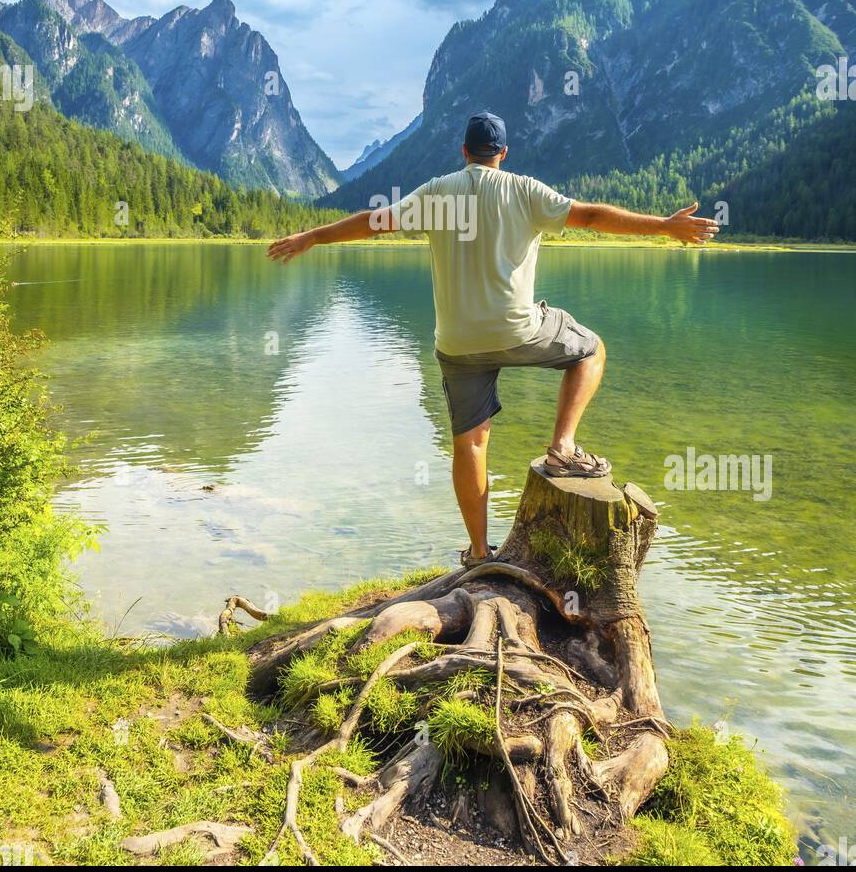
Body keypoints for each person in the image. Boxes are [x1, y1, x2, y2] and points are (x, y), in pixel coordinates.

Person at [268, 111, 719, 567]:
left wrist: (313, 237)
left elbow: (372, 222)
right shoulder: (525, 190)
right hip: (519, 330)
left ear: (464, 152)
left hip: (458, 343)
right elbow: (593, 216)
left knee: (470, 444)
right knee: (592, 350)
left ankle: (480, 552)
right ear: (503, 153)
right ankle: (563, 446)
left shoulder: (437, 193)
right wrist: (664, 226)